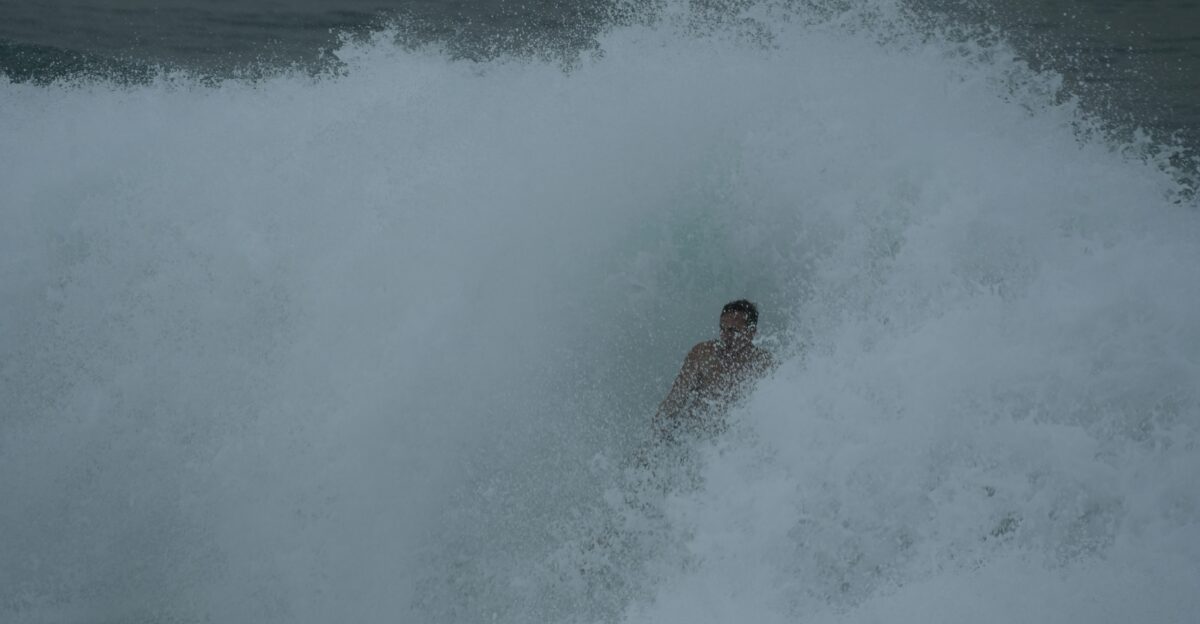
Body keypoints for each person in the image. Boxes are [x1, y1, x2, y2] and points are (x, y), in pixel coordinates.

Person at [654, 300, 776, 441]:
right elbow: (674, 401)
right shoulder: (703, 355)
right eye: (722, 329)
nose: (725, 336)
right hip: (690, 436)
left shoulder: (764, 364)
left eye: (733, 331)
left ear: (751, 332)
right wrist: (654, 438)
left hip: (734, 441)